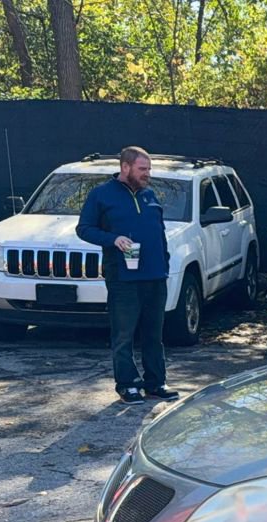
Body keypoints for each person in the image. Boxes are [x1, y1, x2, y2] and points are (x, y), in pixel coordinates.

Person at [76, 146, 178, 404]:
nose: (148, 174)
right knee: (124, 334)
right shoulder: (101, 195)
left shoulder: (149, 194)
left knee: (154, 333)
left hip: (155, 275)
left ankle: (156, 382)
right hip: (123, 278)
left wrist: (164, 264)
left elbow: (159, 232)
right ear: (125, 167)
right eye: (143, 169)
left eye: (149, 169)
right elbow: (84, 229)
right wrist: (113, 239)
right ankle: (128, 384)